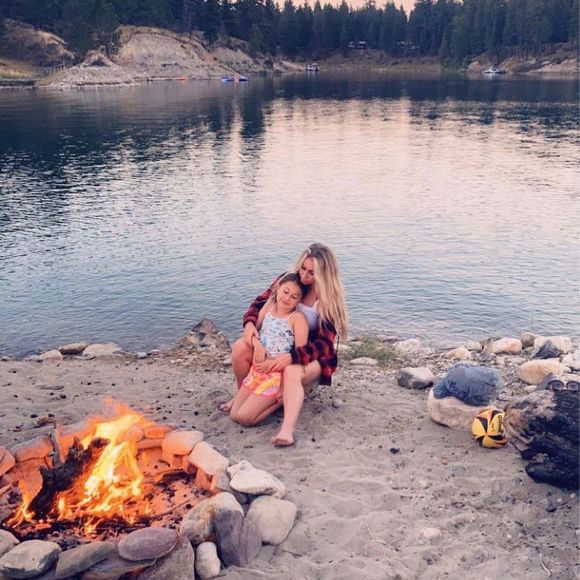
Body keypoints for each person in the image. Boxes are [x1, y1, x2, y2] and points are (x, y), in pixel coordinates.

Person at [223, 243, 348, 447]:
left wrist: (291, 358)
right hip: (278, 350)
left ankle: (287, 430)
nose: (304, 275)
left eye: (312, 273)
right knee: (240, 347)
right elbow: (258, 304)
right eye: (303, 268)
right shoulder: (289, 281)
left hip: (310, 356)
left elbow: (324, 345)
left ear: (324, 275)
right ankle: (244, 395)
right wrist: (249, 325)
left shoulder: (327, 301)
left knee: (291, 370)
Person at [230, 273, 308, 428]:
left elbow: (300, 355)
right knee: (234, 415)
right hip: (257, 372)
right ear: (278, 288)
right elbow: (252, 331)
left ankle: (280, 400)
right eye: (285, 292)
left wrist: (272, 365)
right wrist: (257, 345)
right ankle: (255, 399)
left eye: (294, 297)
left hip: (275, 375)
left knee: (245, 418)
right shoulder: (269, 307)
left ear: (299, 301)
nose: (287, 298)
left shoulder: (297, 318)